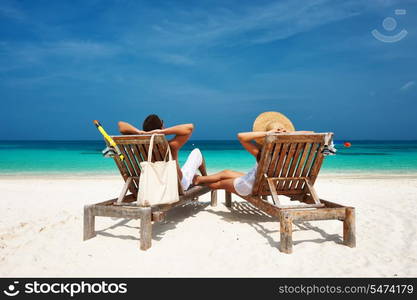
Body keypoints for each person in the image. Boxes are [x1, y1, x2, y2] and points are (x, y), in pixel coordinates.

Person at [193, 111, 312, 197]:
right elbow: (311, 133)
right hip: (269, 185)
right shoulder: (293, 151)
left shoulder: (262, 154)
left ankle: (197, 183)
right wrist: (289, 133)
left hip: (251, 186)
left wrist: (267, 133)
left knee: (218, 184)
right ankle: (199, 179)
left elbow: (241, 136)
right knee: (226, 172)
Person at [118, 114, 206, 190]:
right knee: (197, 152)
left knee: (187, 171)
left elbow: (121, 125)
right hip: (177, 185)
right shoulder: (170, 146)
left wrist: (140, 133)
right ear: (161, 126)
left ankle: (200, 178)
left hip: (153, 185)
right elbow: (190, 127)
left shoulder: (140, 146)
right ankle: (205, 179)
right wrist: (161, 132)